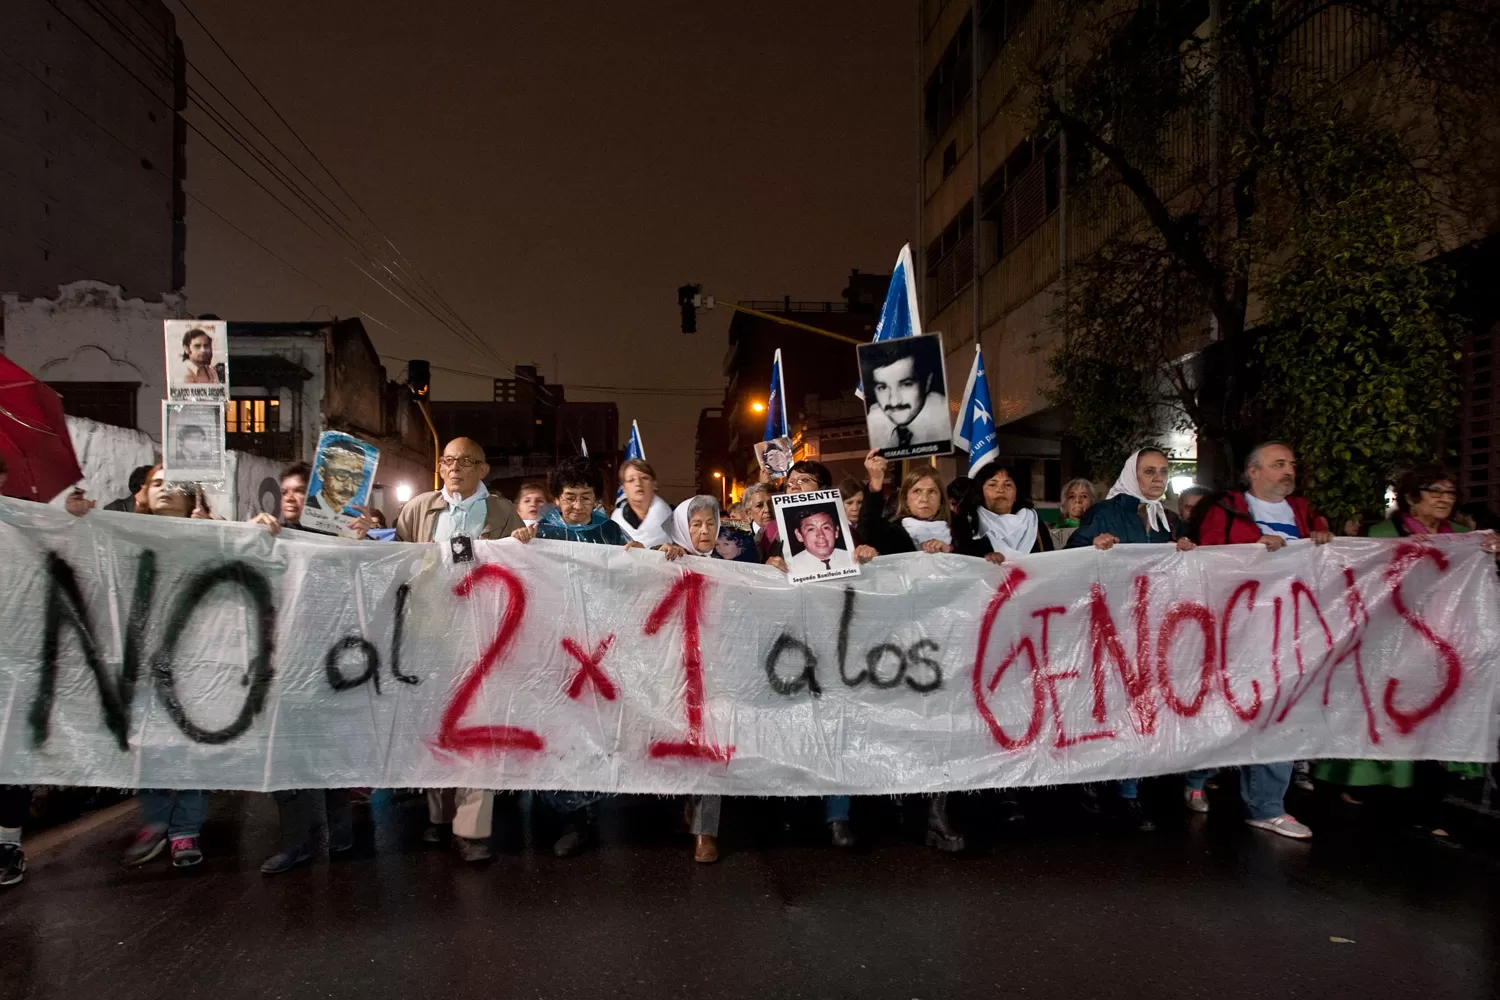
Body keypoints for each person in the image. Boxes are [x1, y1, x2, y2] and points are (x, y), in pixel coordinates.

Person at [1313, 464, 1499, 844]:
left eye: (1450, 493)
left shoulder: (1466, 539)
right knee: (1386, 720)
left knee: (1433, 726)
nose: (1445, 499)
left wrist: (1491, 551)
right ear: (1412, 497)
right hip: (1389, 645)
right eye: (1435, 492)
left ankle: (1428, 811)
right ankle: (1372, 795)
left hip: (1442, 650)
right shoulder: (1381, 534)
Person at [1186, 442, 1334, 840]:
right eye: (1279, 464)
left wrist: (1324, 541)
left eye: (1292, 464)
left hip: (1289, 632)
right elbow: (1208, 559)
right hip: (1237, 630)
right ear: (1253, 471)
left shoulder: (1304, 514)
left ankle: (1268, 806)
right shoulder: (1226, 510)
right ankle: (1197, 772)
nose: (1289, 471)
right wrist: (1250, 551)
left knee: (1280, 715)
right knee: (1228, 711)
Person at [394, 438, 526, 863]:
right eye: (448, 461)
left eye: (465, 461)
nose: (454, 468)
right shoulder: (418, 509)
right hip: (430, 633)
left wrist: (524, 543)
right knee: (435, 725)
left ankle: (471, 830)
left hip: (483, 636)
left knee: (478, 729)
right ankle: (439, 816)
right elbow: (393, 563)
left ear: (483, 470)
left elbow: (523, 571)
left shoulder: (503, 513)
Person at [512, 456, 634, 855]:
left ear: (596, 499)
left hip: (596, 649)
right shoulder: (540, 533)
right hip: (552, 646)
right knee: (556, 728)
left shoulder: (611, 532)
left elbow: (635, 573)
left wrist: (645, 555)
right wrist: (518, 545)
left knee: (589, 728)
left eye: (585, 498)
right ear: (556, 498)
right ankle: (559, 810)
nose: (577, 506)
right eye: (569, 497)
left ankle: (581, 814)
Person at [1066, 448, 1190, 832]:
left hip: (1153, 629)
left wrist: (1188, 551)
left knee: (1141, 707)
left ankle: (1128, 791)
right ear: (1131, 474)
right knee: (1105, 705)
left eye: (1163, 472)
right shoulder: (1106, 512)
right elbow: (1069, 559)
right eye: (1149, 471)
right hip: (1111, 627)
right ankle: (1090, 777)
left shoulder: (1169, 520)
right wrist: (1092, 546)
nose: (1157, 478)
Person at [249, 463, 358, 875]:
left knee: (328, 752)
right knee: (285, 760)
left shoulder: (335, 537)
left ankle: (340, 830)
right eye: (287, 491)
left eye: (301, 491)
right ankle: (295, 843)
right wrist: (247, 533)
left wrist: (359, 540)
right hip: (278, 665)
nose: (292, 497)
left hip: (328, 666)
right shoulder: (264, 534)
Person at [854, 450, 965, 854]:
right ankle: (899, 803)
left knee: (943, 726)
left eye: (932, 491)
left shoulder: (961, 537)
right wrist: (875, 481)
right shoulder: (892, 532)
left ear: (942, 499)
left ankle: (937, 814)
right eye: (916, 490)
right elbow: (866, 528)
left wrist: (966, 560)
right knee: (906, 722)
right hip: (905, 646)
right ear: (905, 497)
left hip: (951, 644)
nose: (924, 497)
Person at [659, 495, 728, 863]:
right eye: (696, 524)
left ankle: (705, 831)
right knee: (680, 746)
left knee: (711, 746)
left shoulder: (733, 566)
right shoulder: (665, 559)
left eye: (711, 524)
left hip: (717, 674)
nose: (704, 532)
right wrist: (659, 555)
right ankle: (689, 804)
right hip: (673, 673)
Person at [955, 460, 1055, 562]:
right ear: (980, 492)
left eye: (1008, 485)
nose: (1001, 490)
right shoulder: (967, 523)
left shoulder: (1033, 522)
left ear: (1017, 494)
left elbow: (1049, 562)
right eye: (992, 485)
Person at [863, 342, 950, 451]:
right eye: (882, 387)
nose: (894, 401)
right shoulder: (873, 422)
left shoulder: (949, 419)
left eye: (906, 384)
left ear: (927, 383)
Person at [611, 459, 673, 547]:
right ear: (624, 488)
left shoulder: (673, 520)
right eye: (631, 480)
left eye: (644, 478)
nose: (638, 483)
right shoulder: (615, 520)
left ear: (654, 484)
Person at [1051, 477, 1096, 548]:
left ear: (1092, 501)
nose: (1077, 500)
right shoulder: (1054, 532)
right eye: (1071, 496)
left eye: (1084, 496)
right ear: (1065, 502)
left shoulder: (1100, 530)